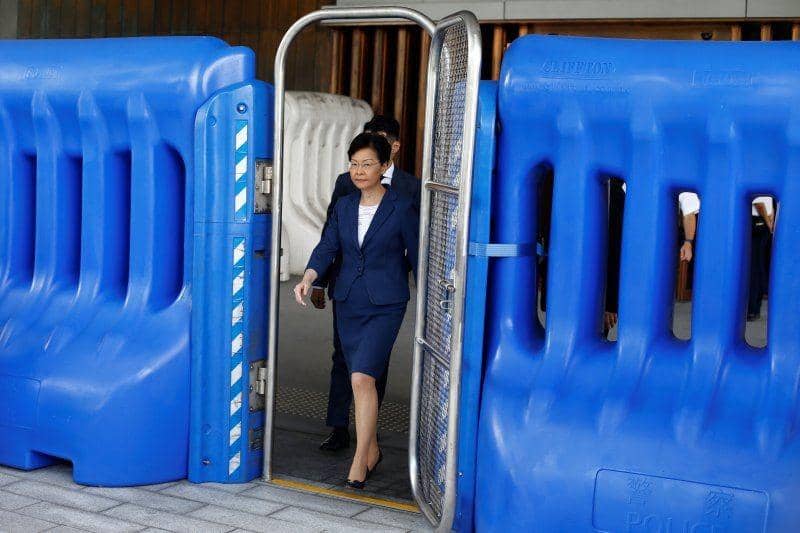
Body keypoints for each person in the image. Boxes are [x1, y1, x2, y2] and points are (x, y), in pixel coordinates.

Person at [294, 132, 419, 489]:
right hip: (348, 301)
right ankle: (373, 447)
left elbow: (418, 254)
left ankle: (358, 462)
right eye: (353, 163)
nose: (359, 171)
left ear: (383, 166)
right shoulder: (345, 206)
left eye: (367, 164)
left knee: (362, 378)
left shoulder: (401, 206)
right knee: (357, 377)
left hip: (386, 304)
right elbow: (327, 246)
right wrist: (309, 277)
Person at [748, 196, 774, 321]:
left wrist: (770, 222)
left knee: (756, 267)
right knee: (757, 266)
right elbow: (761, 203)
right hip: (762, 221)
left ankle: (753, 309)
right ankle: (754, 309)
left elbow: (763, 203)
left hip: (761, 220)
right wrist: (770, 224)